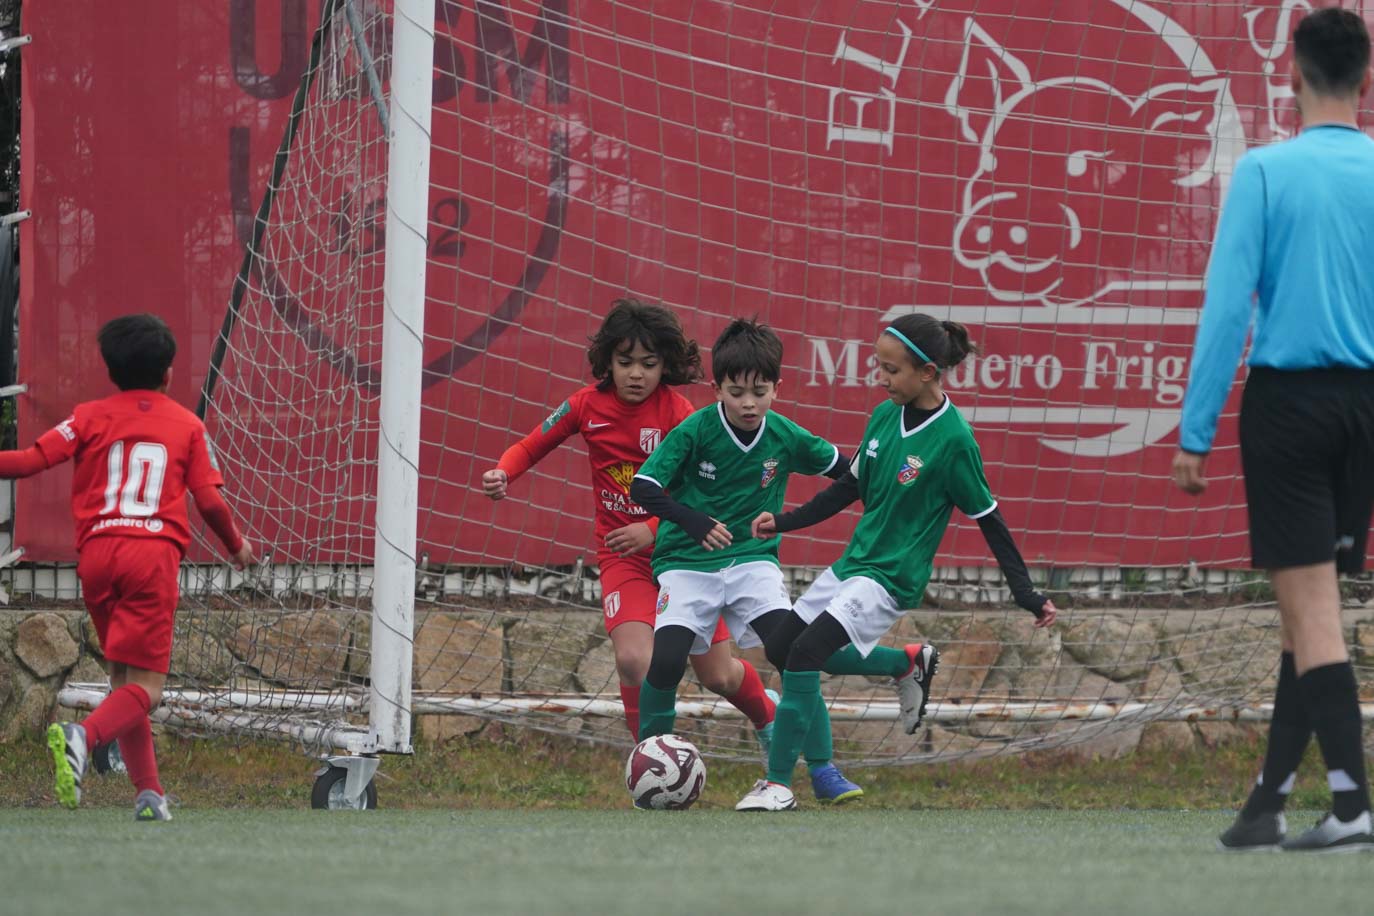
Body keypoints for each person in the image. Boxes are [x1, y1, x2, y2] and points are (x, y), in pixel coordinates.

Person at [1173, 7, 1374, 853]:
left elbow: (1227, 312)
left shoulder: (1263, 172)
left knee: (1314, 618)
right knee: (1306, 616)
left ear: (1291, 77)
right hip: (1366, 409)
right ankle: (1268, 802)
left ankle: (1354, 803)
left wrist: (1194, 431)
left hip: (1289, 411)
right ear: (1365, 81)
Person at [733, 314, 1057, 811]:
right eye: (879, 367)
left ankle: (780, 784)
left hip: (891, 577)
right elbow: (849, 487)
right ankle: (905, 663)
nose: (880, 379)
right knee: (782, 648)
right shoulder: (885, 415)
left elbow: (990, 519)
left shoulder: (954, 441)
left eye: (891, 370)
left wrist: (1026, 594)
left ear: (927, 372)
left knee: (804, 657)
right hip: (855, 563)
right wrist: (787, 520)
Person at [482, 299, 776, 746]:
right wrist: (504, 471)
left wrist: (653, 529)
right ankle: (651, 760)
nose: (636, 374)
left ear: (666, 366)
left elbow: (707, 498)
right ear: (608, 363)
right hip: (626, 562)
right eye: (625, 363)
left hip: (687, 558)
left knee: (720, 676)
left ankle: (770, 718)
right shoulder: (585, 406)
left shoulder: (681, 415)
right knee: (635, 661)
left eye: (649, 364)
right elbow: (531, 445)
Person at [0, 314, 256, 820]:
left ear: (111, 372)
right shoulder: (187, 424)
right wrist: (236, 546)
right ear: (168, 373)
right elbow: (209, 502)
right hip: (150, 558)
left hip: (96, 557)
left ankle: (149, 795)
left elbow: (29, 461)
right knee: (148, 689)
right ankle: (83, 735)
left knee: (126, 683)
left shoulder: (89, 416)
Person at [630, 317, 866, 805]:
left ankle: (824, 771)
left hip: (752, 564)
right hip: (686, 561)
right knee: (668, 660)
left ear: (777, 388)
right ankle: (651, 767)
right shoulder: (696, 430)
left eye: (759, 391)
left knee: (793, 652)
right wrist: (693, 520)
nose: (748, 403)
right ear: (717, 388)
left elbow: (849, 471)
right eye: (736, 392)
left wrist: (885, 492)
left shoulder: (784, 435)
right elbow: (644, 487)